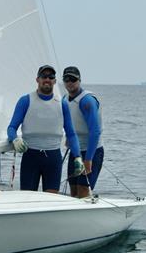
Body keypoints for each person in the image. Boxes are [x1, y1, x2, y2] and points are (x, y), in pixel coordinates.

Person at [7, 64, 83, 193]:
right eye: (44, 76)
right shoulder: (25, 101)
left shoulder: (62, 104)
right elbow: (12, 127)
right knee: (28, 198)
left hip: (53, 158)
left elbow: (71, 133)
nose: (47, 79)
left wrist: (78, 157)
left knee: (51, 199)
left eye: (51, 76)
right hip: (30, 156)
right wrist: (15, 139)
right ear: (37, 79)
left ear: (54, 81)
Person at [62, 65, 103, 198]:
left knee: (83, 190)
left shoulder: (87, 101)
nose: (70, 83)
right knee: (73, 190)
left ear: (79, 80)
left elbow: (95, 131)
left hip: (92, 152)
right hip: (75, 152)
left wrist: (89, 159)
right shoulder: (64, 99)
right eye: (67, 79)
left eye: (73, 80)